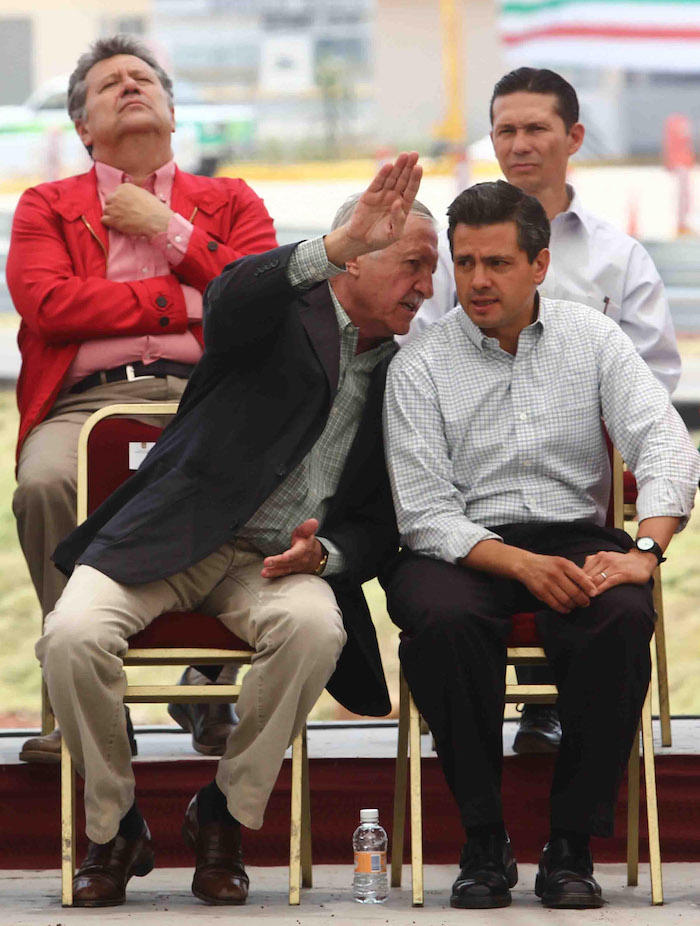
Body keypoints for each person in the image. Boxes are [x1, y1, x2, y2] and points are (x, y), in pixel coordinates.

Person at [37, 152, 438, 906]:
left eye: (431, 273)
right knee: (70, 636)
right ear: (357, 258)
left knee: (318, 633)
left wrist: (331, 552)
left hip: (279, 567)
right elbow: (226, 296)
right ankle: (114, 825)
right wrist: (334, 247)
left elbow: (387, 521)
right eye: (415, 265)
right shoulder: (284, 313)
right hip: (175, 536)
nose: (427, 287)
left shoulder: (410, 374)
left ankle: (221, 815)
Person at [383, 180, 698, 910]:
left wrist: (645, 554)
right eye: (464, 264)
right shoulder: (420, 366)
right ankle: (483, 839)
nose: (478, 281)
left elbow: (666, 445)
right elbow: (424, 513)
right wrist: (518, 562)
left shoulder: (592, 339)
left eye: (496, 262)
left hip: (577, 534)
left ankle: (571, 845)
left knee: (620, 614)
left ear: (540, 265)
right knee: (440, 619)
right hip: (462, 547)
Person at [6, 35, 278, 763]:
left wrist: (169, 230)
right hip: (84, 403)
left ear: (170, 111)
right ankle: (84, 704)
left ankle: (207, 687)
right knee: (45, 482)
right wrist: (184, 298)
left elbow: (255, 301)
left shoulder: (230, 200)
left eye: (142, 79)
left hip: (209, 397)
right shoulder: (46, 207)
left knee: (257, 480)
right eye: (108, 84)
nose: (129, 86)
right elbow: (50, 306)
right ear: (83, 127)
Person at [400, 66, 682, 754]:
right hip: (468, 489)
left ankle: (558, 739)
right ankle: (470, 736)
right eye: (506, 129)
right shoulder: (452, 257)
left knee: (599, 596)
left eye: (536, 128)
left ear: (573, 136)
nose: (520, 143)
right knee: (444, 605)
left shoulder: (617, 257)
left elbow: (653, 389)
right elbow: (422, 355)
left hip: (580, 485)